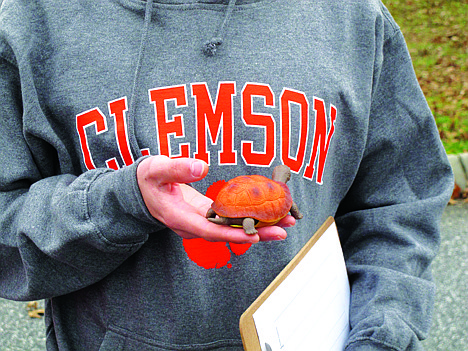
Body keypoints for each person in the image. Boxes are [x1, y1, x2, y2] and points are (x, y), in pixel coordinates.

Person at [0, 0, 453, 350]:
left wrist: (380, 334)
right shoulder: (32, 21)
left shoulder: (352, 17)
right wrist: (120, 202)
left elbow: (398, 206)